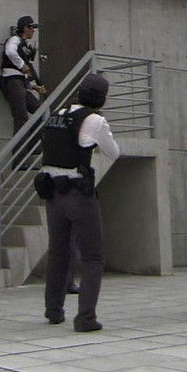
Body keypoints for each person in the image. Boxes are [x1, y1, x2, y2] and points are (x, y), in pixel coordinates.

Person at [37, 74, 120, 332]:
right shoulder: (94, 120)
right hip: (78, 194)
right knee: (93, 256)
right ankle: (85, 318)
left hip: (53, 194)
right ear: (101, 98)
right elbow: (113, 152)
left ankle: (53, 310)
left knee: (58, 253)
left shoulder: (56, 115)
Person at [0, 15, 46, 133]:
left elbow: (22, 74)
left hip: (21, 83)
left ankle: (34, 142)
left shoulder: (26, 44)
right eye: (31, 27)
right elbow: (10, 52)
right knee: (21, 117)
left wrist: (33, 86)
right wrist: (21, 64)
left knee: (41, 111)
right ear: (25, 28)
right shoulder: (15, 39)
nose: (33, 30)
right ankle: (21, 145)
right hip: (12, 82)